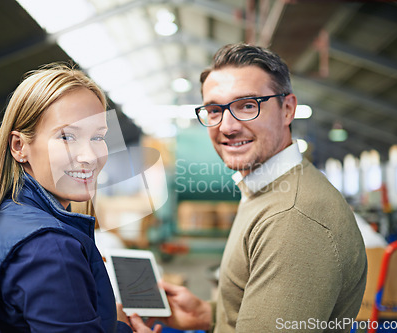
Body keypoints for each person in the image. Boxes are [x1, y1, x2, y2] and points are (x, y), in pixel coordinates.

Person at [155, 44, 367, 332]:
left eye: (247, 106)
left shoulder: (293, 218)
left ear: (287, 109)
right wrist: (210, 314)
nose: (227, 127)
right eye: (214, 110)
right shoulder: (264, 190)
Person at [0, 64, 161, 333]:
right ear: (19, 146)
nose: (90, 156)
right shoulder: (51, 246)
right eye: (67, 136)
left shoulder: (1, 215)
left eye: (98, 137)